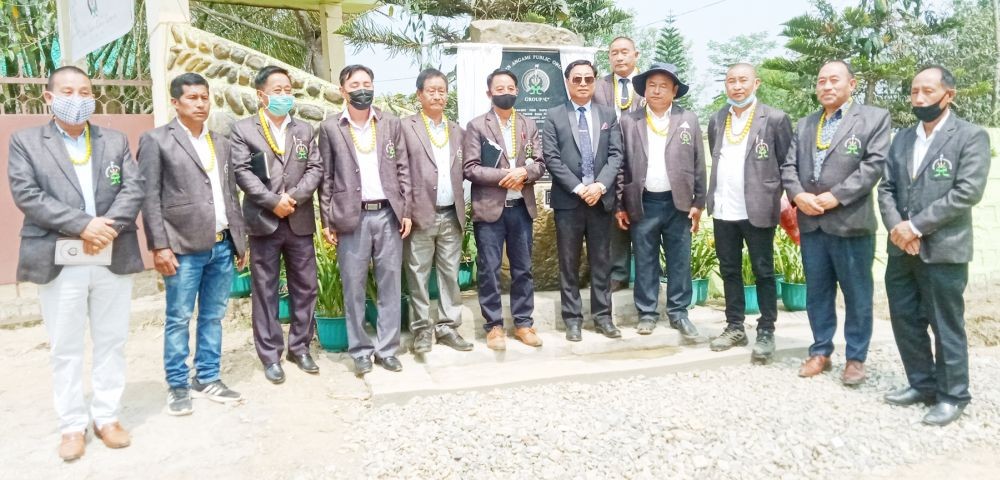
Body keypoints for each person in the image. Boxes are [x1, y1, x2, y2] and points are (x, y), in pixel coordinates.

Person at [7, 66, 144, 461]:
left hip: (110, 253)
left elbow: (133, 187)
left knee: (112, 340)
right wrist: (84, 225)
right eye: (68, 91)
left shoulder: (113, 140)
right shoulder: (26, 142)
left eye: (85, 91)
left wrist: (108, 228)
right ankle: (71, 425)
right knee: (65, 346)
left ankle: (107, 417)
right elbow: (27, 195)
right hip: (59, 257)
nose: (78, 97)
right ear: (49, 98)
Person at [878, 65, 991, 426]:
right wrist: (898, 227)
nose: (920, 98)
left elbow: (967, 192)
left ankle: (953, 394)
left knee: (946, 324)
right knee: (906, 320)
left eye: (928, 91)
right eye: (914, 92)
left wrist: (916, 226)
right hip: (902, 248)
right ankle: (922, 384)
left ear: (948, 96)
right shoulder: (903, 139)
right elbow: (886, 188)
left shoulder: (970, 137)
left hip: (944, 249)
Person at [138, 73, 247, 415]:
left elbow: (231, 195)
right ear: (175, 102)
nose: (200, 104)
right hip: (182, 248)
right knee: (179, 317)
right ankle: (178, 383)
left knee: (213, 316)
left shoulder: (220, 141)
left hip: (221, 245)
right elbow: (149, 197)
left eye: (204, 97)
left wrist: (240, 242)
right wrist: (160, 246)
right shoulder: (157, 141)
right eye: (192, 98)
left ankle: (209, 376)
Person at [780, 60, 890, 385]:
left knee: (857, 293)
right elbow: (788, 166)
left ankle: (855, 358)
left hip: (850, 222)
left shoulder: (873, 119)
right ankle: (820, 351)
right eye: (821, 81)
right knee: (817, 292)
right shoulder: (805, 124)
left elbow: (873, 165)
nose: (827, 86)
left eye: (834, 80)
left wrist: (836, 196)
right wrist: (798, 196)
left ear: (851, 84)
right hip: (811, 223)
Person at [231, 65, 323, 384]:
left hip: (298, 219)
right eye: (277, 90)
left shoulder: (304, 130)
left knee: (306, 286)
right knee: (265, 289)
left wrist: (293, 198)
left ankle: (300, 346)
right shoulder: (244, 130)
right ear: (261, 95)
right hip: (263, 221)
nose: (285, 95)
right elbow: (242, 172)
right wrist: (273, 201)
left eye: (288, 89)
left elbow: (315, 168)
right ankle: (270, 355)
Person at [318, 64, 412, 374]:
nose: (362, 88)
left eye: (367, 83)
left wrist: (406, 210)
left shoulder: (390, 123)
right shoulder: (331, 128)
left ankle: (387, 349)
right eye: (355, 84)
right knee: (353, 287)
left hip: (387, 214)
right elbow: (326, 179)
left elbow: (403, 169)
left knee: (389, 285)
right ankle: (359, 350)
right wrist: (327, 220)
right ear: (342, 91)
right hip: (351, 218)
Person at [705, 63, 793, 363]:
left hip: (757, 209)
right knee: (729, 270)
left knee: (763, 270)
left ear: (756, 83)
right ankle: (734, 326)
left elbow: (786, 166)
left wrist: (781, 200)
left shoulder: (775, 119)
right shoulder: (717, 119)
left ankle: (766, 329)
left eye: (743, 80)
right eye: (731, 81)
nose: (737, 87)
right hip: (724, 207)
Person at [615, 62, 706, 341]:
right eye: (652, 85)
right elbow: (620, 165)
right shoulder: (630, 121)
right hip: (642, 202)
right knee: (645, 259)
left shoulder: (687, 119)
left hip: (678, 203)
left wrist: (698, 202)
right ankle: (647, 313)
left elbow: (698, 162)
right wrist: (619, 204)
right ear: (644, 89)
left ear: (674, 90)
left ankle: (679, 313)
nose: (656, 90)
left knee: (680, 260)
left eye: (663, 85)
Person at [463, 68, 546, 351]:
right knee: (489, 269)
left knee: (523, 269)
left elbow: (540, 163)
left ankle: (523, 323)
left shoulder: (529, 124)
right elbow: (470, 168)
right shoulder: (476, 126)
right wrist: (504, 176)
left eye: (510, 88)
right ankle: (494, 326)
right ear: (489, 93)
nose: (506, 92)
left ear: (517, 91)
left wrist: (523, 172)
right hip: (490, 209)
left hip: (521, 207)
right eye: (499, 89)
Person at [542, 59, 624, 342]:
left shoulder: (607, 114)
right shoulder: (554, 115)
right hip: (569, 202)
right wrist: (579, 188)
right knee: (569, 262)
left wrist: (600, 186)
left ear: (594, 81)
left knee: (602, 261)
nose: (582, 84)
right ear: (567, 82)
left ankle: (603, 317)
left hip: (600, 201)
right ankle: (573, 319)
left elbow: (616, 155)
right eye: (576, 79)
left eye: (588, 79)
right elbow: (551, 158)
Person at [399, 68, 473, 353]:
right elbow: (399, 171)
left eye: (442, 90)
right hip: (419, 215)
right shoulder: (406, 127)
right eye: (431, 90)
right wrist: (405, 211)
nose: (438, 95)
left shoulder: (458, 130)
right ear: (419, 94)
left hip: (450, 213)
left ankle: (447, 327)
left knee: (449, 274)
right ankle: (420, 330)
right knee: (417, 274)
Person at [593, 36, 644, 291]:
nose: (619, 57)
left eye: (625, 52)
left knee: (645, 216)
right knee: (614, 214)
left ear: (636, 54)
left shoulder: (649, 84)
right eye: (614, 53)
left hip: (643, 158)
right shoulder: (599, 86)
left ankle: (647, 274)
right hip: (609, 158)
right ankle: (618, 273)